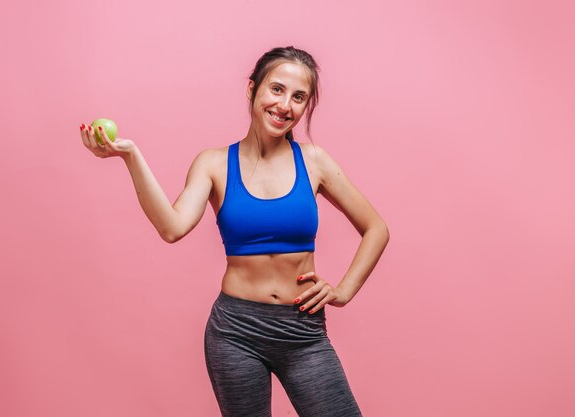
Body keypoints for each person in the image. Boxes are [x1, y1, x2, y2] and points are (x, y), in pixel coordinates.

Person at [80, 46, 389, 417]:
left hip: (303, 333)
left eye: (298, 97)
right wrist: (130, 156)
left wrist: (342, 291)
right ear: (252, 89)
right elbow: (172, 227)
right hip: (235, 333)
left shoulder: (315, 161)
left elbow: (376, 228)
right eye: (276, 89)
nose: (285, 105)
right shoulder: (214, 164)